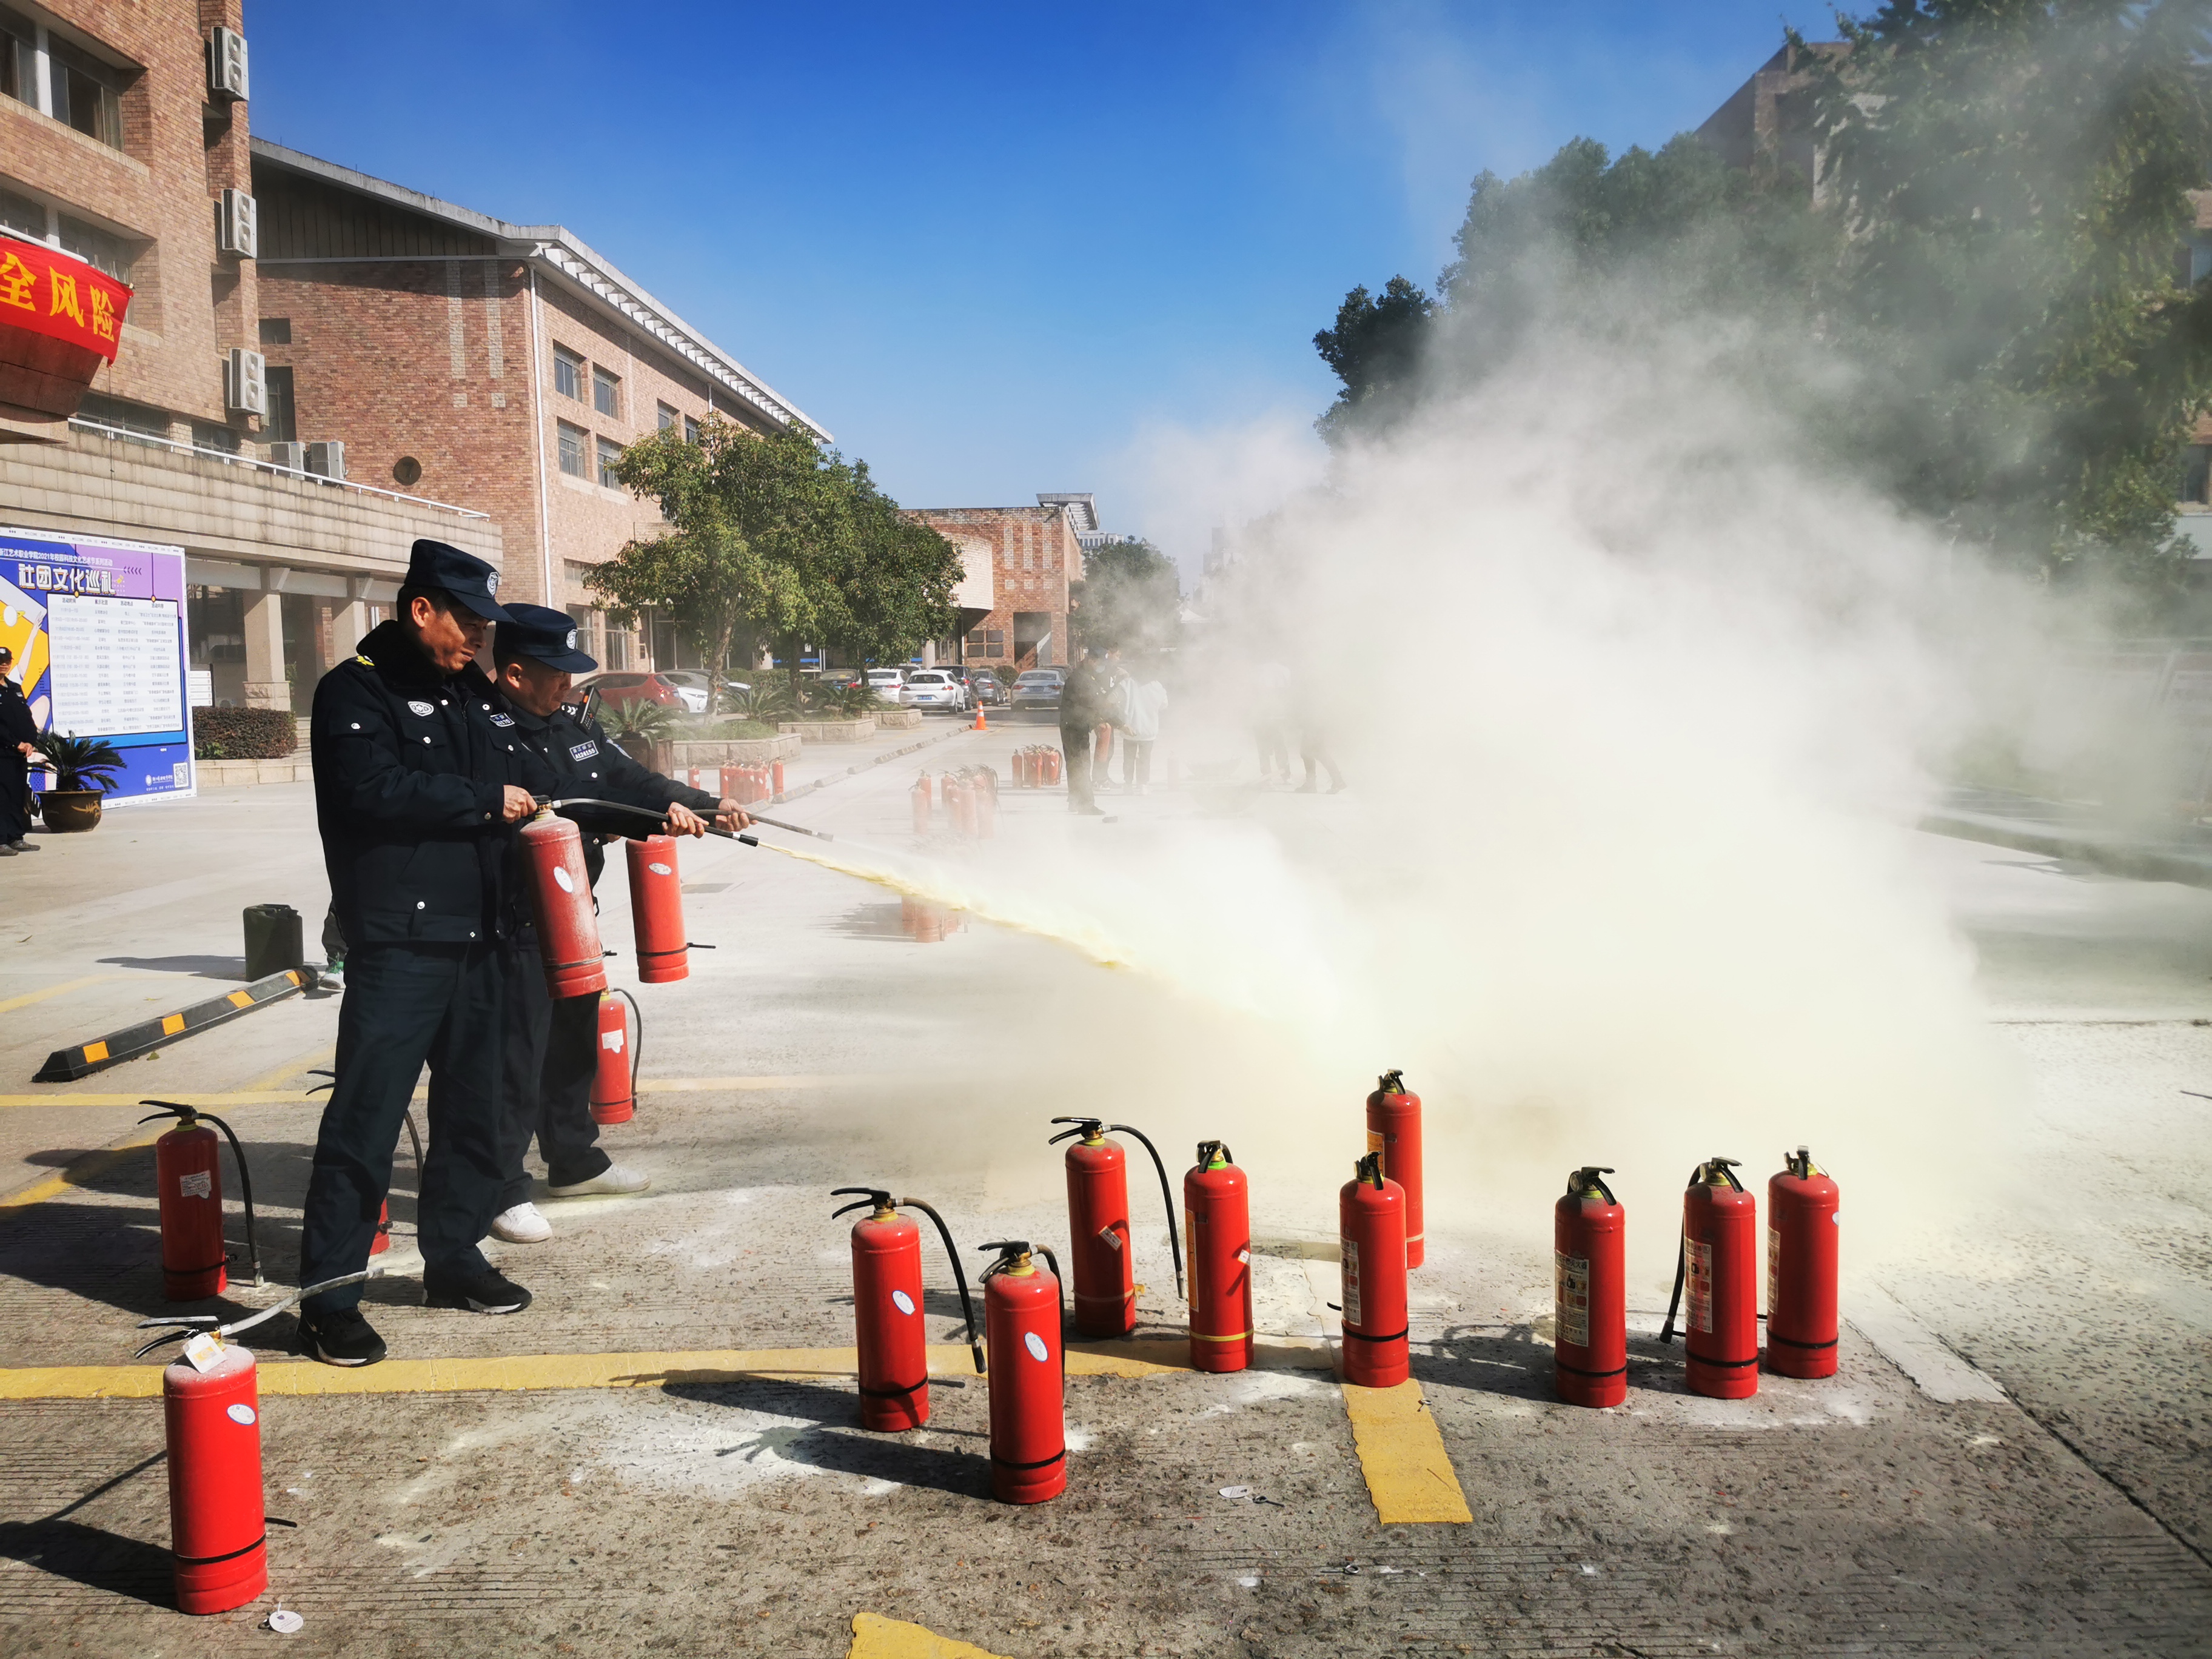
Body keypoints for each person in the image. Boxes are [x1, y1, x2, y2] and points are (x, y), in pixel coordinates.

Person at [295, 539, 532, 1367]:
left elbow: (537, 765)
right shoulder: (355, 691)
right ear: (420, 608)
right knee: (365, 1121)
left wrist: (671, 805)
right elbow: (371, 791)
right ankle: (329, 1301)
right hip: (401, 944)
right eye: (467, 620)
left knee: (473, 1112)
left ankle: (454, 1259)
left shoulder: (470, 693)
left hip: (479, 938)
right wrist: (484, 799)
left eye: (486, 622)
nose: (480, 635)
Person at [478, 604, 751, 1245]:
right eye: (556, 673)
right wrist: (650, 818)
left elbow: (628, 780)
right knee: (516, 1057)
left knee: (572, 1042)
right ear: (514, 674)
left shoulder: (570, 724)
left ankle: (573, 1161)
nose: (569, 684)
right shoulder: (484, 731)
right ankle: (502, 1187)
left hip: (571, 913)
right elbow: (574, 803)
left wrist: (704, 805)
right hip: (510, 920)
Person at [1057, 649, 1109, 816]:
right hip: (1075, 728)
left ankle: (1074, 801)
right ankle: (1086, 805)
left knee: (1074, 766)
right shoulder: (1081, 679)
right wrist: (1119, 722)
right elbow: (1092, 704)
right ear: (1091, 660)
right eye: (1099, 663)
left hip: (1072, 726)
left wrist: (1094, 722)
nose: (1100, 667)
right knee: (1081, 766)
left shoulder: (1081, 676)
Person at [0, 646, 38, 854]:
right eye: (0, 661)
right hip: (3, 752)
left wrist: (30, 741)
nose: (4, 665)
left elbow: (26, 717)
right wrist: (16, 743)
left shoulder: (14, 688)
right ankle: (1, 841)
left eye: (7, 661)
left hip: (19, 754)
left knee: (17, 796)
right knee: (2, 798)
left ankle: (16, 837)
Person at [1118, 666, 1168, 796]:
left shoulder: (1127, 683)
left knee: (1128, 759)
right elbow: (1164, 705)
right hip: (1148, 729)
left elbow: (1114, 700)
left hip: (1130, 728)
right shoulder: (1157, 686)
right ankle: (1143, 785)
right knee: (1145, 759)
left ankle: (1128, 785)